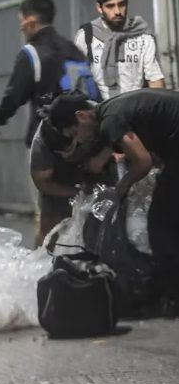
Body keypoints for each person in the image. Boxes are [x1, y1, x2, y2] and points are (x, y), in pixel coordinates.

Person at [48, 89, 179, 316]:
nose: (78, 139)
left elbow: (143, 161)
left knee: (161, 224)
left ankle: (174, 297)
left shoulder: (110, 122)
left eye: (74, 133)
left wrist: (122, 187)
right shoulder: (110, 110)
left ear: (81, 116)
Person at [0, 0, 87, 146]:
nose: (21, 28)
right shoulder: (73, 49)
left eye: (21, 22)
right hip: (83, 137)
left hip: (49, 139)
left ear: (31, 22)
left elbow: (14, 96)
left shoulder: (31, 53)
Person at [74, 0, 165, 100]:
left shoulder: (142, 36)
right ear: (99, 8)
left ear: (127, 3)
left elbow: (155, 80)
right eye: (110, 6)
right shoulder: (87, 36)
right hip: (99, 111)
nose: (117, 11)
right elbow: (77, 79)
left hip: (135, 110)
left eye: (121, 4)